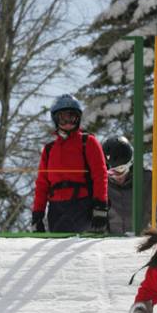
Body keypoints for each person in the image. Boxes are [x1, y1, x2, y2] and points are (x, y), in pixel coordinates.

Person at [31, 94, 108, 234]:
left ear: (77, 119)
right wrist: (37, 214)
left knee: (64, 239)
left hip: (80, 203)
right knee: (56, 243)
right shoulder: (49, 150)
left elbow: (100, 175)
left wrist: (100, 206)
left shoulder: (88, 142)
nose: (67, 122)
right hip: (56, 207)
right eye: (63, 118)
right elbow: (42, 184)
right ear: (56, 119)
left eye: (71, 118)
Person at [101, 135, 157, 235]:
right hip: (113, 243)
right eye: (111, 173)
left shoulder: (150, 179)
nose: (117, 176)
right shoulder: (102, 185)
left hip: (144, 240)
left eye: (121, 170)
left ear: (130, 164)